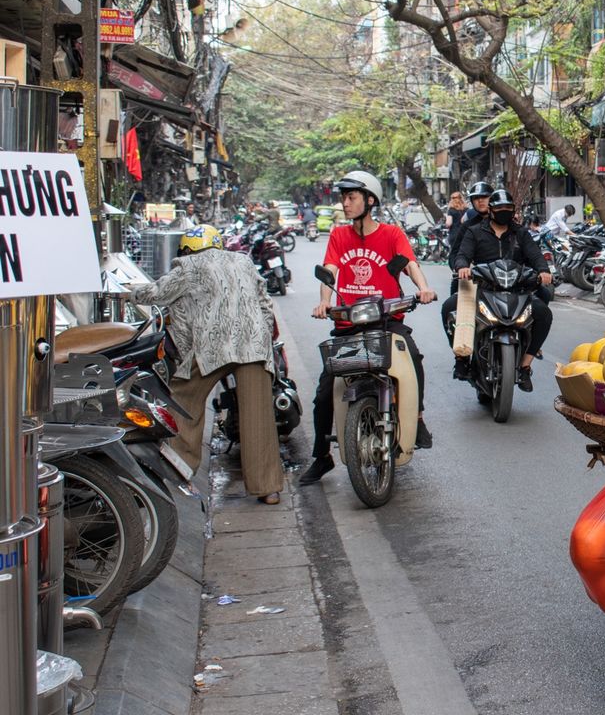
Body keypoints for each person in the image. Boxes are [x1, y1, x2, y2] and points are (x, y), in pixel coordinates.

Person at [130, 226, 285, 504]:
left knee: (183, 399)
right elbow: (265, 302)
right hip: (253, 343)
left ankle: (179, 467)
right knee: (258, 414)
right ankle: (268, 488)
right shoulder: (243, 261)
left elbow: (156, 293)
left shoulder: (187, 266)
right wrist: (261, 336)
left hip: (212, 346)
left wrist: (127, 293)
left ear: (188, 249)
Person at [300, 171, 437, 486]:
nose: (345, 203)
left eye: (351, 197)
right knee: (323, 393)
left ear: (370, 200)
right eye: (344, 198)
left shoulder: (391, 234)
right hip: (348, 326)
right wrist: (323, 303)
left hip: (387, 323)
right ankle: (322, 455)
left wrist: (424, 288)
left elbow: (409, 264)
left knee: (414, 359)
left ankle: (417, 418)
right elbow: (330, 272)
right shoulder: (338, 236)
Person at [450, 189, 553, 390]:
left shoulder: (520, 233)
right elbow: (462, 255)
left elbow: (536, 255)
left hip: (517, 289)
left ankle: (525, 366)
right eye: (499, 208)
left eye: (508, 208)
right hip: (482, 288)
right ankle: (462, 359)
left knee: (543, 313)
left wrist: (543, 270)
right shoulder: (474, 231)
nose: (503, 212)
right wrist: (462, 267)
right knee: (449, 308)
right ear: (490, 210)